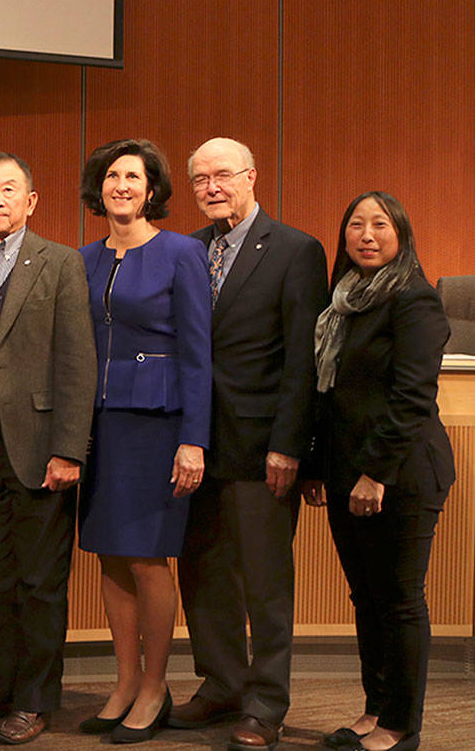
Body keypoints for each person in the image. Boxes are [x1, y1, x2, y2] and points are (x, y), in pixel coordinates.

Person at [173, 137, 327, 751]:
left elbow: (303, 362)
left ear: (252, 176)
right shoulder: (187, 251)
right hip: (192, 447)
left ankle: (266, 703)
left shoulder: (295, 250)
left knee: (263, 582)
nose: (212, 187)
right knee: (202, 573)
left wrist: (290, 446)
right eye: (200, 178)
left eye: (223, 175)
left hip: (263, 447)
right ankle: (221, 685)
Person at [0, 152, 96, 745]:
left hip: (40, 449)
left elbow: (77, 361)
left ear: (31, 201)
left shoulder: (59, 263)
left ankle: (34, 700)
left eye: (10, 189)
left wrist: (70, 449)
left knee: (40, 581)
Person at [304, 192, 454, 751]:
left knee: (399, 598)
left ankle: (401, 725)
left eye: (380, 225)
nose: (367, 234)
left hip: (402, 474)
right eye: (356, 225)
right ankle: (375, 709)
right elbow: (329, 395)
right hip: (347, 473)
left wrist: (376, 475)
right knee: (366, 598)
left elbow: (411, 398)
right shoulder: (342, 303)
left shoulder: (415, 301)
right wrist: (318, 466)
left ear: (401, 235)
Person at [75, 139, 211, 743]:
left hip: (158, 424)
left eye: (133, 176)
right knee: (109, 553)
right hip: (99, 426)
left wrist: (194, 440)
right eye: (111, 176)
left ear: (152, 189)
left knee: (148, 558)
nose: (121, 185)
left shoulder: (181, 253)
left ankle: (156, 684)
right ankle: (125, 680)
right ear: (98, 188)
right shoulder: (82, 259)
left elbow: (198, 354)